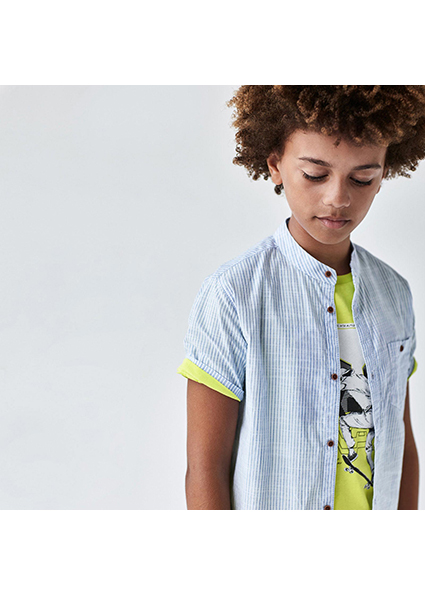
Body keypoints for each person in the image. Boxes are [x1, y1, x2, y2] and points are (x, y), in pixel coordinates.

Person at [177, 85, 424, 510]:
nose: (338, 198)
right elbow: (205, 469)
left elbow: (400, 444)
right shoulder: (235, 294)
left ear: (384, 173)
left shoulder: (394, 293)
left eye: (362, 178)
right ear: (275, 164)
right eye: (315, 174)